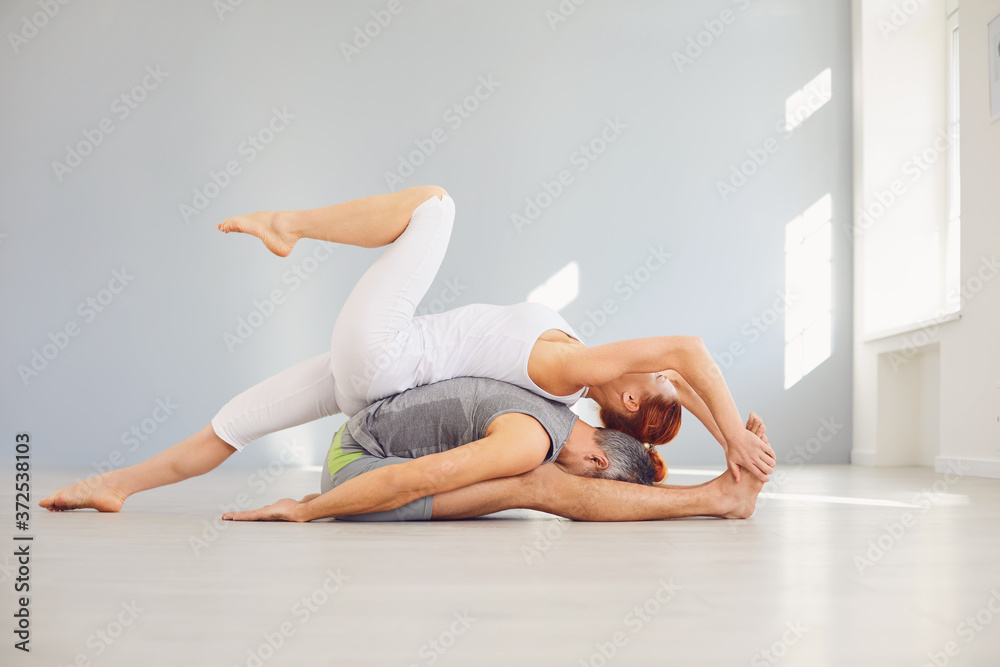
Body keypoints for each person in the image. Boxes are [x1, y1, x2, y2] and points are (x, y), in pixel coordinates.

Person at [40, 186, 773, 513]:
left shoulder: (573, 372)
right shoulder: (586, 391)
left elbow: (689, 351)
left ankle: (286, 222)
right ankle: (118, 485)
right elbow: (685, 372)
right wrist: (724, 430)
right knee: (237, 420)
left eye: (652, 384)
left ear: (627, 397)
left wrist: (735, 437)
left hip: (385, 355)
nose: (658, 370)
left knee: (436, 206)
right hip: (382, 384)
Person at [219, 379, 771, 523]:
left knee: (538, 483)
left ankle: (721, 496)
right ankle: (717, 499)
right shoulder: (532, 439)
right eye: (590, 483)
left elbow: (670, 369)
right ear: (598, 462)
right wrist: (305, 509)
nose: (579, 483)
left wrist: (732, 441)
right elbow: (412, 481)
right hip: (352, 473)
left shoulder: (558, 407)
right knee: (539, 486)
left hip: (363, 448)